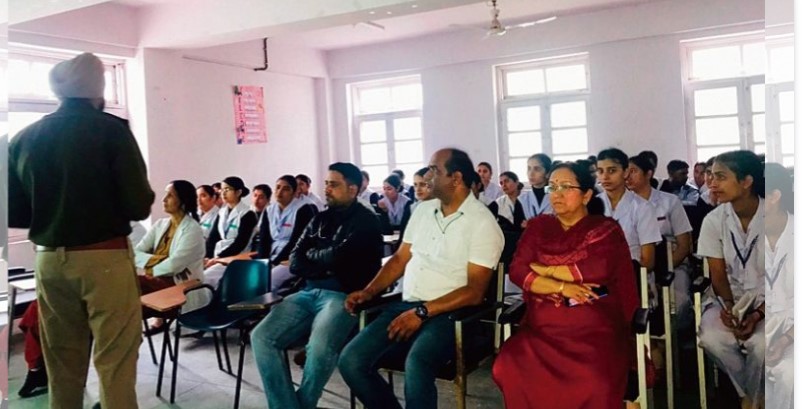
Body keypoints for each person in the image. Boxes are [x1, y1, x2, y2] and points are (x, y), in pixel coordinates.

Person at [8, 52, 154, 409]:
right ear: (97, 89)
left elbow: (13, 212)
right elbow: (138, 205)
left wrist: (58, 211)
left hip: (49, 262)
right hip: (104, 258)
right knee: (115, 361)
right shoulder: (112, 130)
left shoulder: (24, 138)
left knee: (61, 363)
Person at [339, 148, 504, 409]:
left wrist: (422, 312)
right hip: (407, 305)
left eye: (434, 170)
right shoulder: (424, 211)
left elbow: (475, 290)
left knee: (417, 362)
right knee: (351, 360)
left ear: (456, 178)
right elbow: (400, 259)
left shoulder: (482, 223)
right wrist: (369, 292)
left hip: (452, 315)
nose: (427, 176)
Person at [492, 161, 638, 408]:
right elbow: (517, 270)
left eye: (565, 187)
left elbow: (596, 269)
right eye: (552, 187)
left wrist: (544, 270)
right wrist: (561, 286)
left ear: (586, 195)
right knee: (506, 367)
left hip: (592, 329)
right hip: (542, 330)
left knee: (594, 380)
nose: (556, 194)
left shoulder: (604, 229)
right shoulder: (539, 226)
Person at [250, 163, 383, 409]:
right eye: (326, 184)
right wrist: (321, 261)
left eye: (334, 184)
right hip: (308, 291)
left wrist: (317, 258)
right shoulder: (319, 218)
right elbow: (296, 261)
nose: (327, 189)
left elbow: (340, 258)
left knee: (320, 347)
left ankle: (305, 403)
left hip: (342, 295)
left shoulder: (366, 222)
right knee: (261, 336)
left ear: (353, 189)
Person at [697, 150, 765, 409]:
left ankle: (753, 398)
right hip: (727, 298)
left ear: (746, 182)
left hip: (768, 302)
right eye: (710, 176)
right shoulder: (714, 220)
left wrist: (757, 314)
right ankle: (751, 396)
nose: (711, 183)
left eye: (720, 177)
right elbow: (717, 273)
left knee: (761, 343)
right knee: (713, 337)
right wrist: (729, 308)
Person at [135, 180, 206, 325]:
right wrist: (162, 259)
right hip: (159, 281)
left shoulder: (192, 229)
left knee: (133, 285)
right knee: (128, 291)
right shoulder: (160, 224)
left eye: (170, 195)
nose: (163, 199)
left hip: (181, 286)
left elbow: (174, 266)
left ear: (182, 201)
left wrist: (150, 267)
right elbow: (136, 253)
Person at [596, 148, 661, 271]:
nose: (605, 176)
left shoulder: (643, 207)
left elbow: (648, 261)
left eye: (612, 171)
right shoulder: (592, 206)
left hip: (633, 276)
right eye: (600, 171)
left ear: (625, 172)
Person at [764, 163, 793, 409]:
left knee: (789, 375)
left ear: (774, 197)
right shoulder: (751, 233)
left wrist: (786, 339)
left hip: (794, 327)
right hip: (762, 318)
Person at [259, 175, 316, 292]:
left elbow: (297, 242)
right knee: (254, 277)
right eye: (278, 188)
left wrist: (275, 262)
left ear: (295, 192)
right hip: (271, 256)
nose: (280, 192)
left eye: (286, 189)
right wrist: (262, 263)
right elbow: (264, 240)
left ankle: (269, 309)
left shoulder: (303, 209)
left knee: (269, 282)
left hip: (291, 258)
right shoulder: (269, 210)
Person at [204, 176, 258, 287]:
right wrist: (207, 256)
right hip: (218, 256)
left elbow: (240, 243)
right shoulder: (222, 212)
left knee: (205, 278)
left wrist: (219, 258)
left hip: (236, 257)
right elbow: (213, 237)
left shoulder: (248, 214)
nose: (223, 193)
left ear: (238, 192)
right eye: (222, 190)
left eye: (227, 190)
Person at [519, 153, 553, 224]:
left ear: (547, 173)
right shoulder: (522, 198)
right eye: (529, 168)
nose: (531, 174)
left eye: (537, 169)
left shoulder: (557, 194)